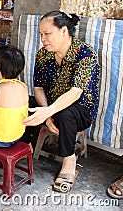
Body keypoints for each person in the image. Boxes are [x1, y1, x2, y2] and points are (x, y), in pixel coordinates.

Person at [21, 11, 100, 193]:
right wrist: (46, 114)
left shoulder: (86, 55)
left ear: (64, 31)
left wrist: (48, 112)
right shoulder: (44, 55)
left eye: (47, 34)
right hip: (50, 105)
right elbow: (38, 88)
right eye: (41, 34)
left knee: (66, 113)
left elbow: (75, 92)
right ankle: (25, 146)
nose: (43, 39)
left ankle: (69, 160)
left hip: (80, 109)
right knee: (22, 100)